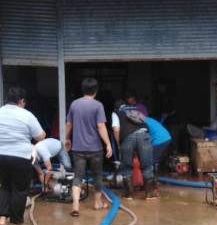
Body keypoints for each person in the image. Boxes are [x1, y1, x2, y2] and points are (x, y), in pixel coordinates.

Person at [0, 86, 45, 225]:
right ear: (21, 100)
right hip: (20, 156)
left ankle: (2, 219)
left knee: (5, 186)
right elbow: (40, 136)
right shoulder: (27, 115)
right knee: (19, 189)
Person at [65, 77, 112, 216]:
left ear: (83, 89)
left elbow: (69, 124)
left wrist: (67, 138)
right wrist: (108, 144)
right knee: (97, 175)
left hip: (78, 148)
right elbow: (101, 125)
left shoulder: (74, 104)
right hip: (95, 148)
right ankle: (97, 203)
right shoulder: (98, 105)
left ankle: (75, 205)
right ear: (96, 91)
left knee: (78, 176)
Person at [111, 101, 159, 200]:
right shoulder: (136, 110)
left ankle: (128, 194)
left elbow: (116, 130)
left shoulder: (116, 112)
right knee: (147, 166)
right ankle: (149, 194)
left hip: (127, 138)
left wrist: (119, 144)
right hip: (144, 135)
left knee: (126, 167)